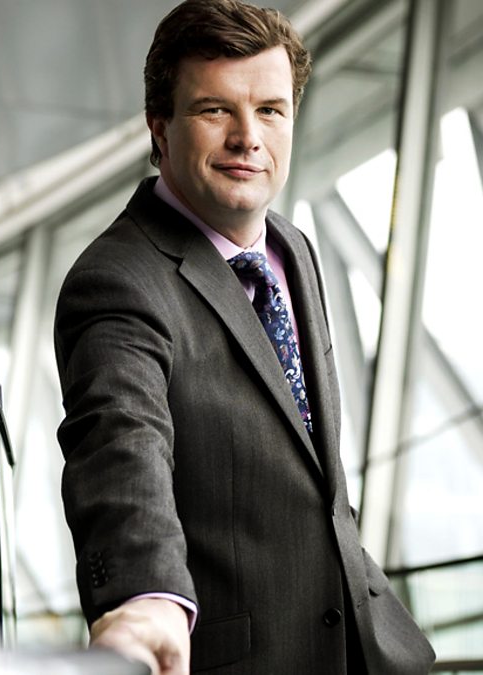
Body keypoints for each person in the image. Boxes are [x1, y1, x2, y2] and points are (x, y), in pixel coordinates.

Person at [52, 1, 435, 673]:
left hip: (368, 647)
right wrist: (146, 598)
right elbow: (119, 441)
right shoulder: (116, 280)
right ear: (160, 126)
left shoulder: (293, 248)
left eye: (270, 110)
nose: (247, 137)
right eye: (215, 110)